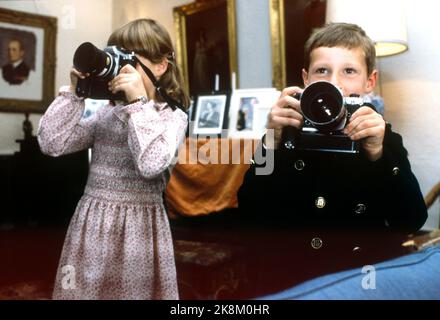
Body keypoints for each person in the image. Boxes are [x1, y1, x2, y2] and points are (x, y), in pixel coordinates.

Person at [236, 23, 428, 296]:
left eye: (349, 71)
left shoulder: (382, 136)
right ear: (306, 78)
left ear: (369, 81)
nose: (334, 81)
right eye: (322, 70)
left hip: (358, 278)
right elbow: (248, 214)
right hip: (293, 275)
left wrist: (378, 154)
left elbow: (411, 220)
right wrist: (270, 142)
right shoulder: (287, 131)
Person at [37, 19, 190, 300]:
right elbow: (52, 143)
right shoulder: (106, 113)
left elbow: (152, 163)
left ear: (161, 66)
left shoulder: (173, 117)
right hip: (93, 226)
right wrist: (75, 93)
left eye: (131, 59)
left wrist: (137, 104)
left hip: (139, 232)